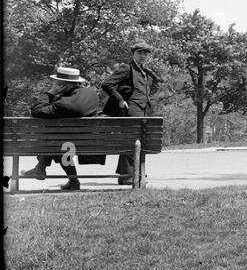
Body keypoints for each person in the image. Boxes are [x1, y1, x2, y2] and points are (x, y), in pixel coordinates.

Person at [21, 65, 107, 191]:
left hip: (69, 144)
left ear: (63, 84)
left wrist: (50, 92)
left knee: (55, 140)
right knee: (56, 136)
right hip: (90, 140)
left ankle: (68, 179)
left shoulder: (65, 103)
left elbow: (36, 111)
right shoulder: (92, 93)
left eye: (57, 82)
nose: (54, 83)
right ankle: (40, 168)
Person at [100, 40, 162, 185]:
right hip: (131, 109)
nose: (143, 56)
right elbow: (106, 84)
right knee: (132, 141)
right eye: (140, 53)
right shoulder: (126, 68)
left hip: (143, 109)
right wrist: (120, 99)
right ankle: (129, 175)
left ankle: (128, 174)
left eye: (145, 53)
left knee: (138, 141)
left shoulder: (144, 71)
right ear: (133, 54)